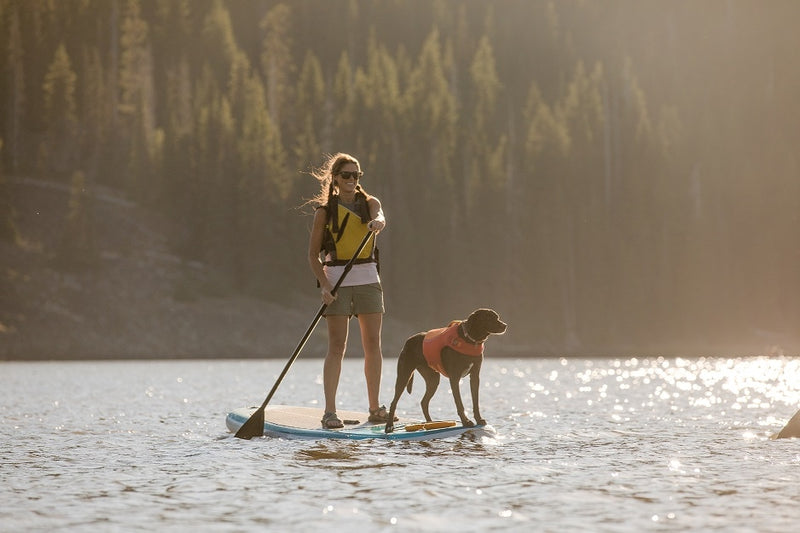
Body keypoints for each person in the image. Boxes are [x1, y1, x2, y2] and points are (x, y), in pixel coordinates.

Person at [307, 153, 393, 429]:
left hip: (368, 279)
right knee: (337, 347)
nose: (352, 180)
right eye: (346, 175)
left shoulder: (369, 204)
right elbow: (312, 256)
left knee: (372, 345)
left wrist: (378, 222)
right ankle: (330, 412)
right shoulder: (324, 212)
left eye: (356, 175)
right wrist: (325, 286)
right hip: (337, 281)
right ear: (335, 178)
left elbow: (380, 214)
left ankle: (375, 409)